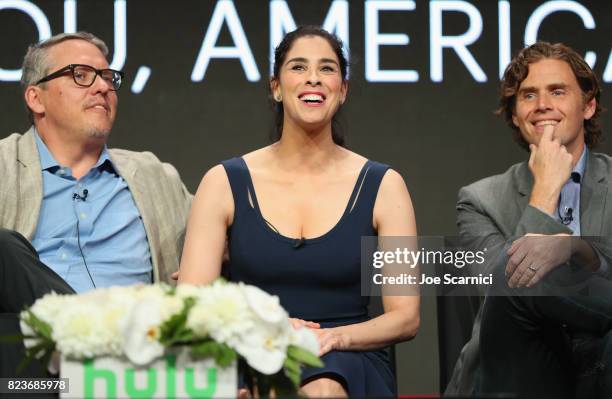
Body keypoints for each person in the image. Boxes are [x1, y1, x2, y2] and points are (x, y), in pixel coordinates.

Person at [179, 26, 420, 397]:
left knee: (322, 389)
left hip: (350, 354)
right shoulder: (223, 182)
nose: (313, 79)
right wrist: (267, 327)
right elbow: (191, 304)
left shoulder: (385, 186)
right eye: (298, 67)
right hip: (253, 345)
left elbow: (405, 317)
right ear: (275, 87)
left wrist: (329, 338)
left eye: (327, 69)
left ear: (343, 90)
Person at [0, 32, 191, 376]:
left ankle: (96, 345)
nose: (102, 87)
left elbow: (234, 234)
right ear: (36, 98)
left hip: (143, 358)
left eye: (107, 77)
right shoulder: (3, 165)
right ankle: (87, 337)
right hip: (34, 371)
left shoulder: (153, 175)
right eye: (81, 75)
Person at [447, 41, 612, 398]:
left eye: (557, 91)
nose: (542, 106)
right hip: (520, 371)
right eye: (528, 96)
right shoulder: (479, 199)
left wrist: (575, 249)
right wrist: (545, 192)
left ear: (589, 105)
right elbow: (506, 289)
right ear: (515, 115)